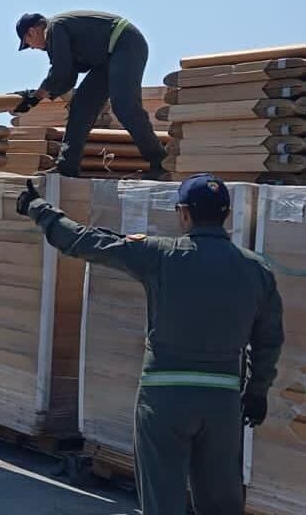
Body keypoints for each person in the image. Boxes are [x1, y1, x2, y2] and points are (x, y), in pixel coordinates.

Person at [16, 174, 283, 515]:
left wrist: (38, 208)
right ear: (226, 214)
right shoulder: (257, 270)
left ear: (184, 213)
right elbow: (269, 341)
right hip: (222, 403)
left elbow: (85, 241)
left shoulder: (160, 255)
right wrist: (258, 391)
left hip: (164, 401)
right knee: (222, 505)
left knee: (162, 502)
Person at [14, 11, 165, 178]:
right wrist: (38, 95)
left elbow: (61, 71)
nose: (33, 48)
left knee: (124, 106)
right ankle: (66, 167)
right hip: (107, 58)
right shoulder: (56, 36)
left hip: (125, 42)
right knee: (80, 106)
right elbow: (67, 78)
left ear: (32, 31)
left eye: (29, 43)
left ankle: (160, 161)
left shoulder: (55, 28)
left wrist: (36, 96)